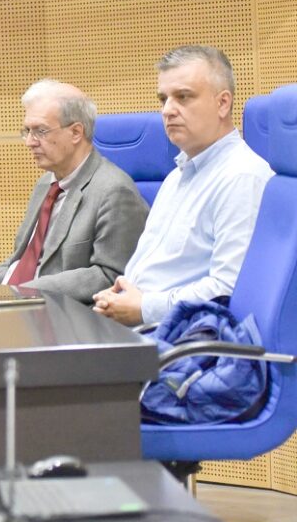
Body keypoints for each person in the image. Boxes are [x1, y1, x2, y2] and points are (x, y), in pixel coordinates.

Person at [94, 46, 273, 325]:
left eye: (183, 97)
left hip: (177, 337)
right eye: (163, 99)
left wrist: (144, 307)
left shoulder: (242, 177)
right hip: (137, 326)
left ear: (222, 104)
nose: (167, 110)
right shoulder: (177, 176)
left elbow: (228, 290)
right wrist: (117, 296)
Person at [0, 80, 148, 303]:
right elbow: (20, 264)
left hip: (65, 314)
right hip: (25, 305)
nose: (29, 142)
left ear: (76, 132)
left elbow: (110, 275)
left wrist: (24, 291)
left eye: (40, 131)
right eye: (27, 131)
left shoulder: (114, 191)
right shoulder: (46, 184)